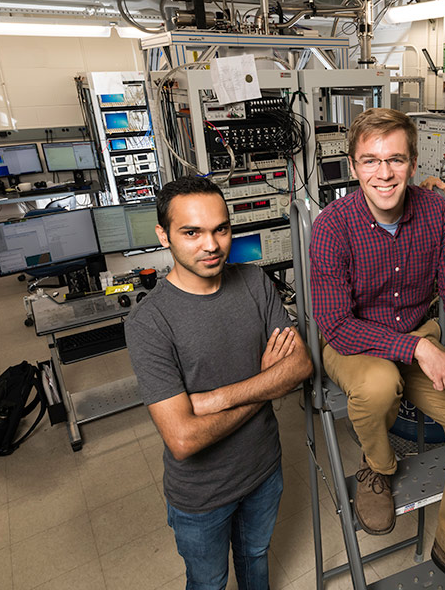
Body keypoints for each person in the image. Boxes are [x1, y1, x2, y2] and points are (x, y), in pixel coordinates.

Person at [309, 108, 445, 590]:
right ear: (354, 166)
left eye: (395, 159)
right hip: (352, 341)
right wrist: (416, 350)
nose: (384, 173)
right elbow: (333, 322)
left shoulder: (436, 213)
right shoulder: (333, 226)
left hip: (420, 337)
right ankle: (378, 468)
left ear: (413, 162)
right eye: (371, 160)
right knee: (378, 386)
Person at [125, 176, 312, 590]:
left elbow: (299, 366)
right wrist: (266, 384)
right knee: (209, 581)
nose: (211, 245)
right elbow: (183, 439)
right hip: (201, 494)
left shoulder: (254, 281)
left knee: (256, 559)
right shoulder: (149, 323)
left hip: (264, 470)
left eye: (220, 229)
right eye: (191, 232)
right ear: (163, 235)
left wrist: (212, 400)